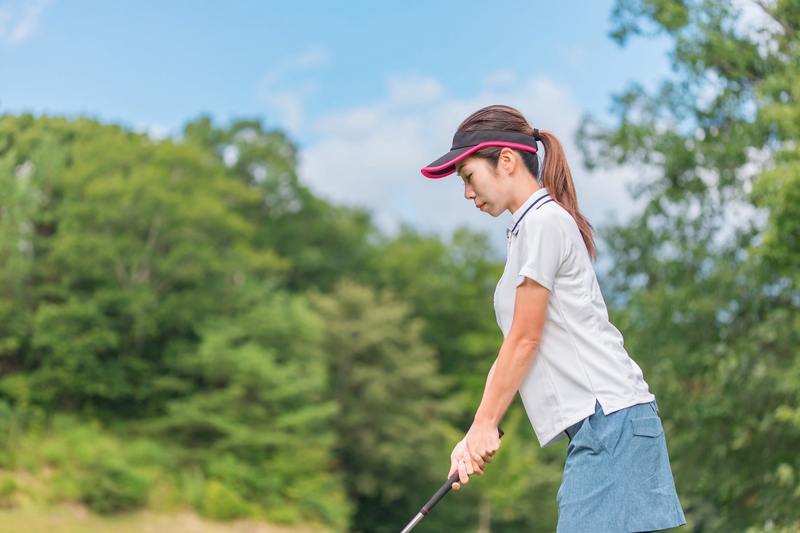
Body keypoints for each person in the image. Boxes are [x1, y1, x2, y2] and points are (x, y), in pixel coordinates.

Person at [420, 105, 686, 533]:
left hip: (611, 423)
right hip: (604, 427)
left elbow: (525, 339)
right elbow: (523, 345)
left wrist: (485, 423)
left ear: (506, 160)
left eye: (468, 176)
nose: (467, 193)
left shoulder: (544, 223)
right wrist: (475, 433)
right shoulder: (527, 230)